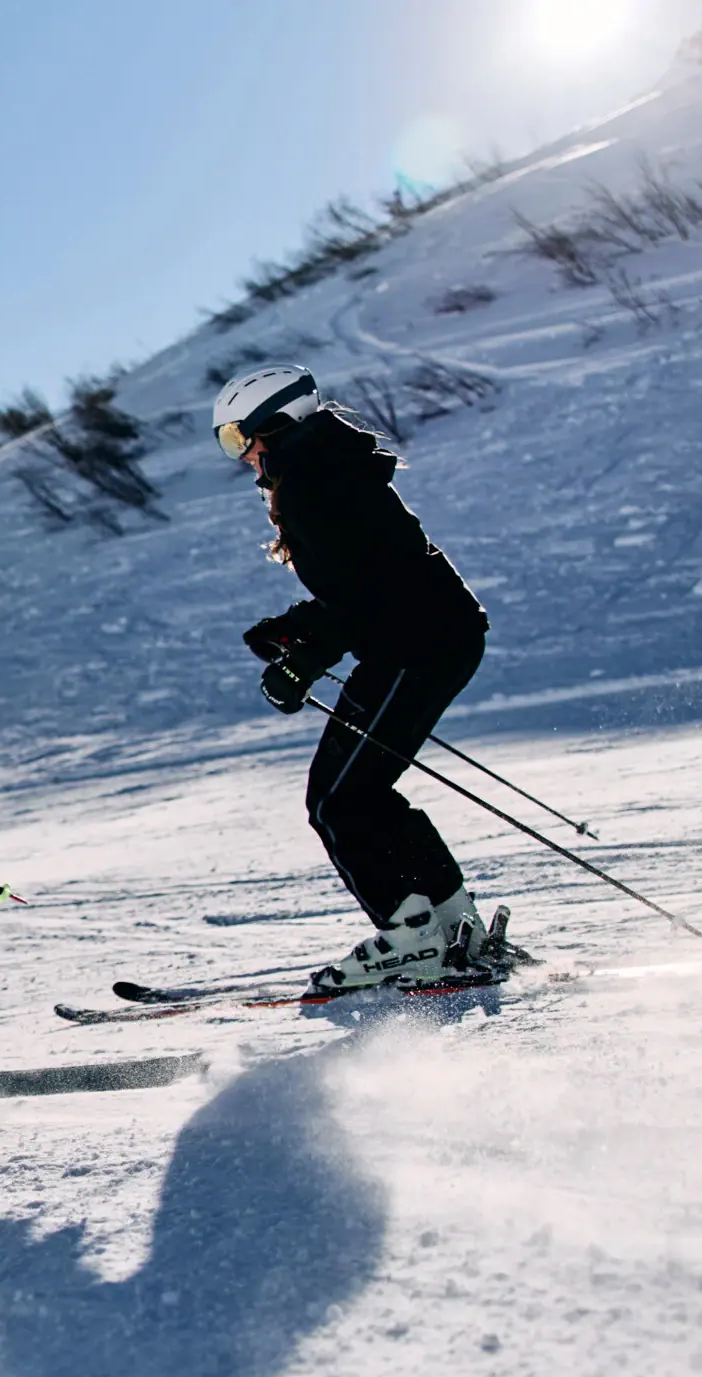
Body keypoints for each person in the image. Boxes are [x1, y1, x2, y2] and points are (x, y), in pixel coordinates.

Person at [210, 366, 502, 994]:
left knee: (340, 802)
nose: (242, 455)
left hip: (415, 647)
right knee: (361, 795)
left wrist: (304, 659)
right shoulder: (325, 467)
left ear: (276, 424)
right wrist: (296, 631)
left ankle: (413, 942)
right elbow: (367, 580)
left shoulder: (314, 481)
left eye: (240, 437)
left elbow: (368, 594)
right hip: (424, 640)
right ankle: (451, 930)